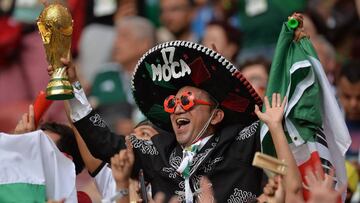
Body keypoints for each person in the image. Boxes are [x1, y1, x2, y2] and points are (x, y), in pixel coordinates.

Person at [50, 40, 296, 202]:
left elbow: (285, 172)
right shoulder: (158, 150)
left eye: (187, 101)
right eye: (172, 103)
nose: (177, 108)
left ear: (217, 115)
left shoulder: (245, 138)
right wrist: (73, 87)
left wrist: (295, 47)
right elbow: (103, 142)